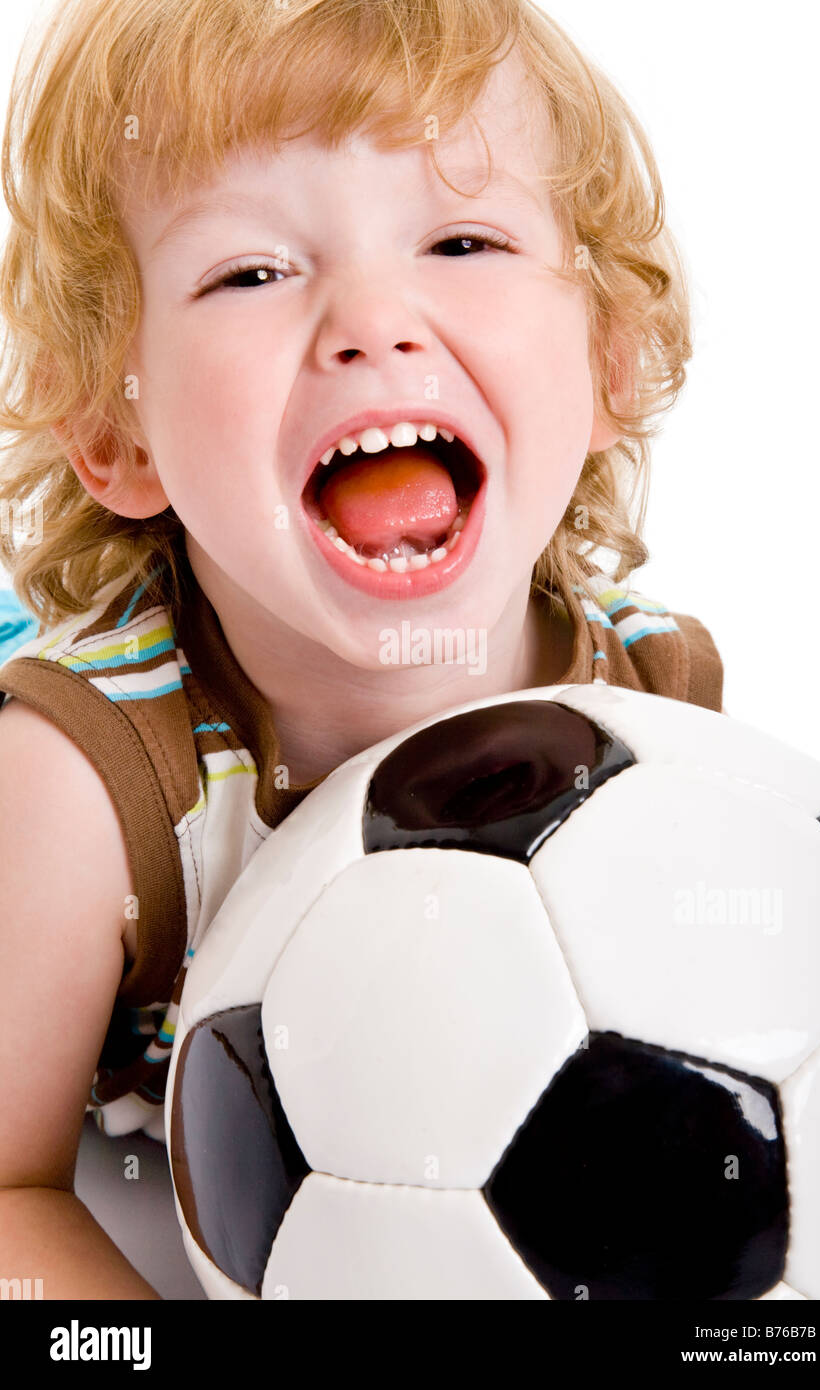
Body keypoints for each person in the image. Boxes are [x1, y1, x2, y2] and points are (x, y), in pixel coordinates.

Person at [0, 0, 723, 1298]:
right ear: (120, 433)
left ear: (615, 350)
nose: (372, 321)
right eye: (252, 271)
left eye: (461, 238)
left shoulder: (659, 707)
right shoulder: (78, 785)